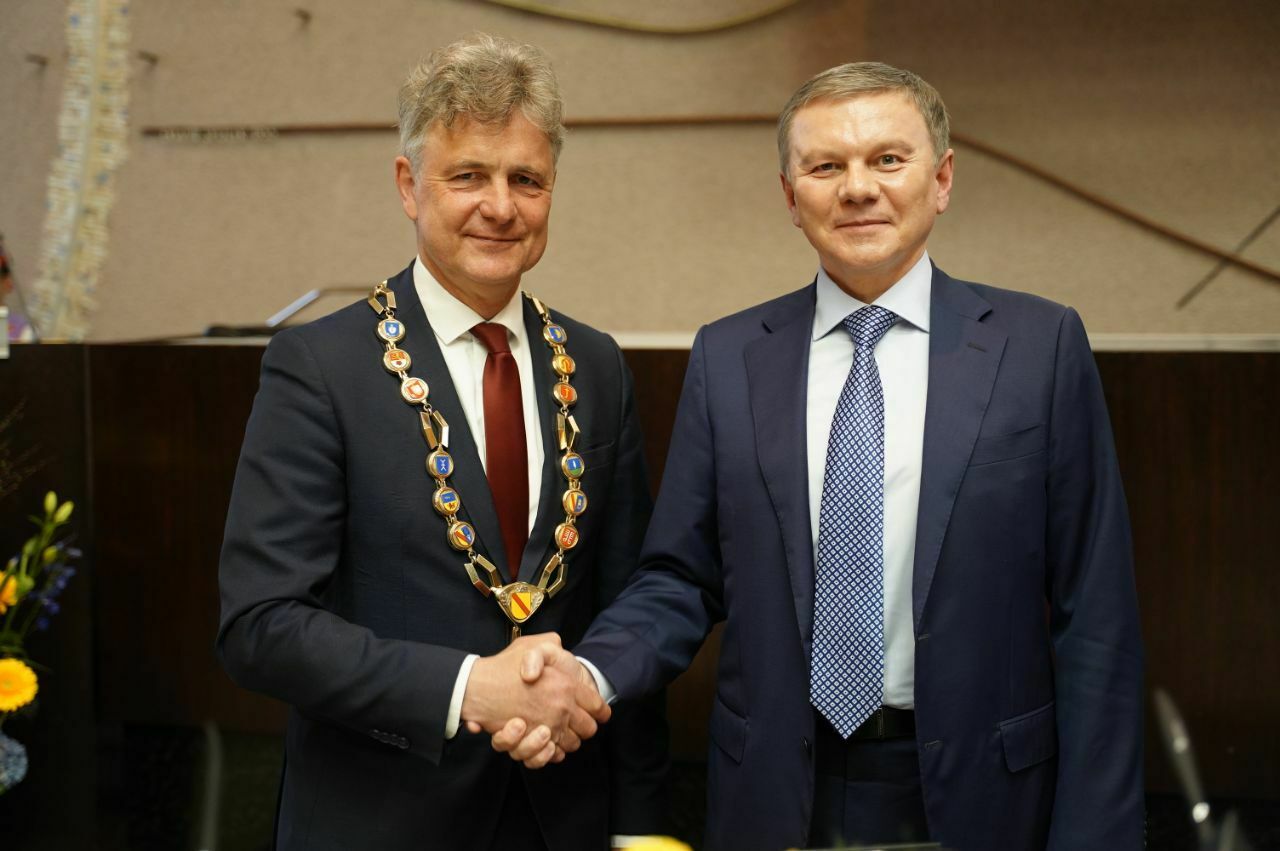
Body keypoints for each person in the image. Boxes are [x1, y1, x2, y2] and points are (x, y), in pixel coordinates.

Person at [502, 61, 1144, 850]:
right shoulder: (730, 356)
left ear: (942, 178)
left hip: (987, 791)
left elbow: (1097, 615)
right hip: (776, 790)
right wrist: (589, 674)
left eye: (888, 159)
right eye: (826, 166)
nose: (858, 188)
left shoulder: (1038, 347)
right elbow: (679, 576)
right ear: (790, 196)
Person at [217, 34, 667, 851]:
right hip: (380, 820)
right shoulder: (320, 367)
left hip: (563, 818)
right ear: (408, 184)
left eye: (525, 179)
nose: (500, 206)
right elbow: (262, 624)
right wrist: (467, 688)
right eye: (468, 176)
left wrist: (639, 830)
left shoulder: (596, 365)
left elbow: (627, 599)